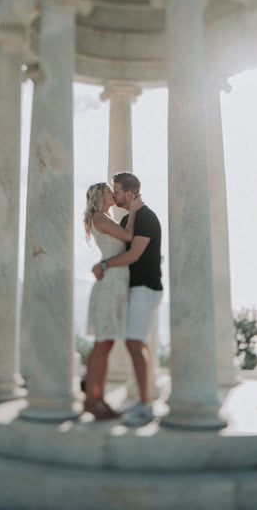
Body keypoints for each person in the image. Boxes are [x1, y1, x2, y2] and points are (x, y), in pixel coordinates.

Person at [92, 172, 162, 427]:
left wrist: (104, 265)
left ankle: (145, 405)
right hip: (133, 288)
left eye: (117, 191)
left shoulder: (146, 217)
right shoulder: (130, 219)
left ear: (129, 194)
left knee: (134, 344)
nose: (115, 194)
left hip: (146, 287)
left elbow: (133, 255)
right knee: (137, 345)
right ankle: (144, 400)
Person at [81, 181, 141, 420]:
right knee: (102, 345)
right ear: (99, 196)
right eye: (108, 191)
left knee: (105, 344)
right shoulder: (100, 217)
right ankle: (93, 400)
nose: (112, 194)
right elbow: (127, 236)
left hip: (116, 282)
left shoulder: (104, 218)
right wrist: (134, 210)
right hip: (110, 284)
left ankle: (96, 399)